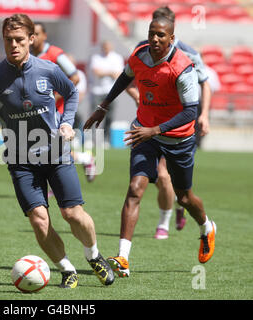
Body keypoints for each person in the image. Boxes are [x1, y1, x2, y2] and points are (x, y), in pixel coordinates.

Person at [0, 13, 114, 288]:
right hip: (19, 160)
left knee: (72, 214)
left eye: (19, 40)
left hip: (55, 153)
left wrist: (66, 124)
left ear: (31, 40)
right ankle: (67, 269)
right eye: (8, 40)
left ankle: (94, 255)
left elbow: (72, 93)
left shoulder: (48, 69)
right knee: (40, 220)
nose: (13, 45)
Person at [84, 17, 216, 278]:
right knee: (135, 189)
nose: (155, 39)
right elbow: (125, 76)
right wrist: (104, 105)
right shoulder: (139, 56)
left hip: (178, 139)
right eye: (151, 34)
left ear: (171, 37)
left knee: (185, 197)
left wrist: (155, 130)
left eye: (161, 35)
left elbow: (191, 111)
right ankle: (123, 258)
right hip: (145, 133)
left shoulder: (183, 67)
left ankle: (206, 227)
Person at [126, 6, 213, 240]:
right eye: (152, 28)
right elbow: (126, 77)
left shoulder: (188, 55)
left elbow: (205, 83)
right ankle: (170, 216)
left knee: (168, 179)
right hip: (148, 124)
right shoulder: (141, 50)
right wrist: (137, 96)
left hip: (176, 127)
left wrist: (203, 115)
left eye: (161, 29)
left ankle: (171, 216)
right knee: (145, 184)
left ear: (172, 29)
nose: (154, 37)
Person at [31, 22, 96, 182]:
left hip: (57, 111)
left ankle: (81, 161)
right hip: (39, 111)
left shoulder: (55, 53)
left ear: (45, 35)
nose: (34, 37)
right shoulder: (30, 56)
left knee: (52, 149)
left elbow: (75, 77)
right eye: (32, 34)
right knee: (46, 149)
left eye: (37, 34)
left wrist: (56, 98)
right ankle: (84, 159)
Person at [89, 40, 124, 146]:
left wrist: (104, 72)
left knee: (109, 117)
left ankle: (105, 140)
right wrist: (110, 72)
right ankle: (91, 139)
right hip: (97, 91)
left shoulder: (117, 58)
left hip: (111, 92)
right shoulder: (96, 57)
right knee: (95, 116)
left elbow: (118, 74)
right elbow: (97, 72)